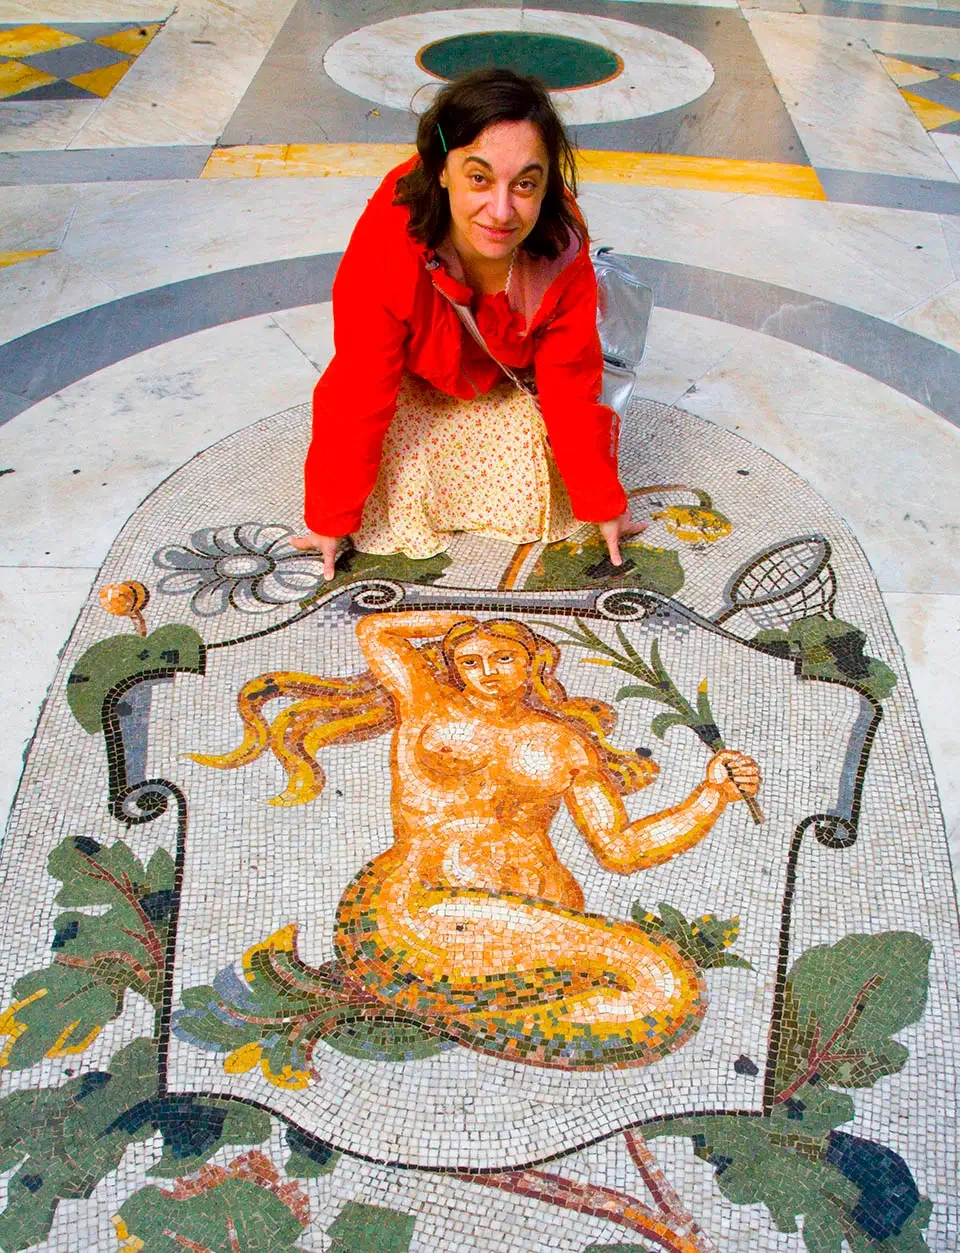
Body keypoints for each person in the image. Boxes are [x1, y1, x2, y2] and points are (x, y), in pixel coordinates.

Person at [291, 68, 646, 580]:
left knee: (539, 478)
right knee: (402, 474)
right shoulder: (388, 238)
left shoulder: (561, 248)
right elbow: (360, 383)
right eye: (478, 178)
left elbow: (571, 383)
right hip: (420, 378)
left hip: (510, 380)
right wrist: (330, 517)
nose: (500, 212)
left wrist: (603, 503)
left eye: (525, 184)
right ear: (441, 170)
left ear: (547, 185)